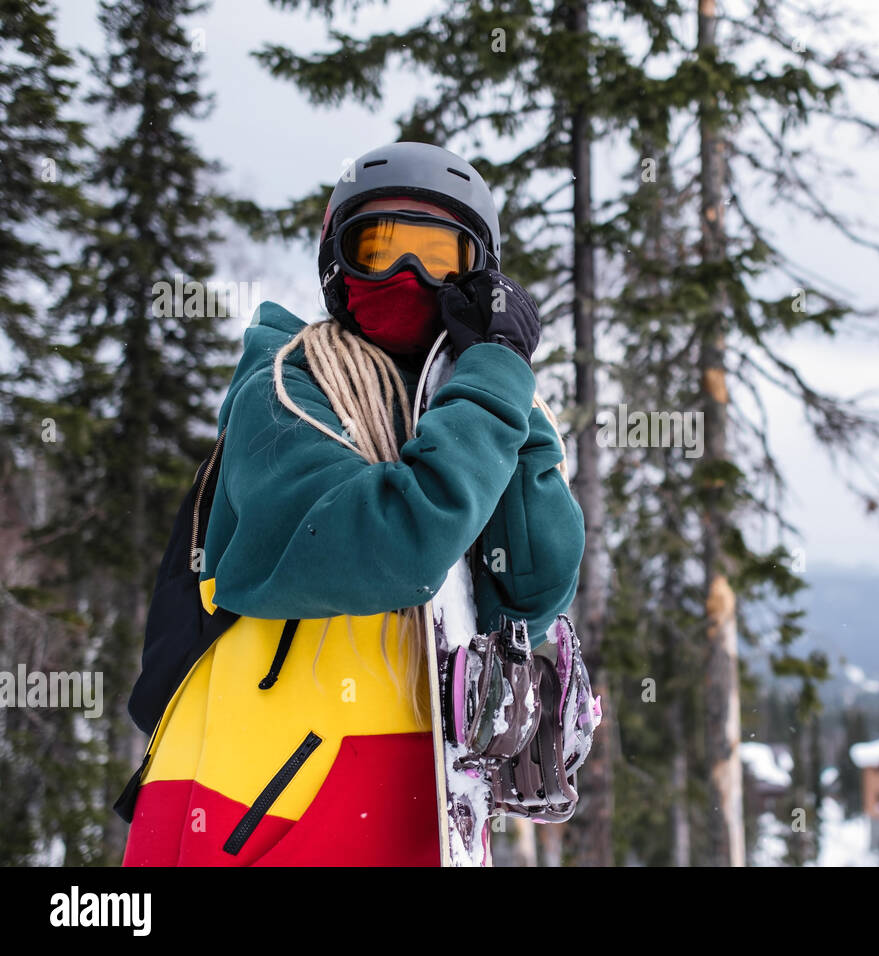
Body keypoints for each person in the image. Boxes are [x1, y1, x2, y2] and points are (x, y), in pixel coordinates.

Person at [121, 142, 585, 866]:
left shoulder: (477, 405)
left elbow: (532, 593)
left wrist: (498, 378)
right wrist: (492, 380)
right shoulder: (283, 392)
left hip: (415, 797)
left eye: (439, 256)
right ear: (338, 262)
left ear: (480, 279)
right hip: (253, 804)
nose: (408, 275)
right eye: (381, 247)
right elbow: (395, 541)